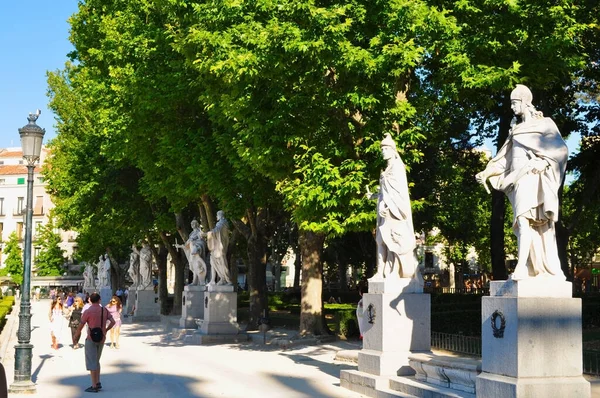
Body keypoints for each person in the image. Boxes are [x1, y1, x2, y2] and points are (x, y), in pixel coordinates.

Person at [476, 84, 568, 280]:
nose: (512, 107)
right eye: (511, 103)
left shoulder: (546, 124)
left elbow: (560, 150)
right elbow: (504, 160)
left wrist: (544, 162)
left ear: (525, 102)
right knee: (522, 225)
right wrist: (486, 172)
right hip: (517, 180)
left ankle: (522, 267)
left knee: (523, 221)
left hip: (533, 177)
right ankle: (529, 265)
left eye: (515, 102)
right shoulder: (515, 130)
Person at [365, 133, 420, 281]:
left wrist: (387, 206)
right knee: (380, 241)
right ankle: (380, 272)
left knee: (393, 242)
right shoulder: (387, 168)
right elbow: (385, 191)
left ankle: (394, 271)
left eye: (385, 149)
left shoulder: (397, 168)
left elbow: (399, 193)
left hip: (394, 212)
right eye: (382, 149)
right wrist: (374, 197)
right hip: (384, 211)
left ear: (392, 150)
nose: (383, 151)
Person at [74, 292, 115, 393]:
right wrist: (106, 329)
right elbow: (113, 322)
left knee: (92, 362)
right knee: (96, 360)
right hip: (102, 338)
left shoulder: (88, 311)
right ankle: (98, 381)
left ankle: (94, 385)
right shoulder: (104, 310)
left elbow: (81, 324)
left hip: (91, 338)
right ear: (99, 300)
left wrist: (76, 335)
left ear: (90, 300)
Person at [176, 220, 208, 285]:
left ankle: (197, 281)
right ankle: (195, 281)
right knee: (193, 266)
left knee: (196, 266)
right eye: (191, 223)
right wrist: (179, 246)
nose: (192, 224)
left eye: (193, 223)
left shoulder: (199, 232)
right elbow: (187, 244)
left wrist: (196, 246)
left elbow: (202, 242)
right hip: (191, 252)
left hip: (196, 252)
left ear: (196, 224)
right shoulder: (192, 233)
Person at [205, 210, 232, 285]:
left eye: (217, 215)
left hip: (220, 247)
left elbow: (216, 231)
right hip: (217, 247)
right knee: (214, 262)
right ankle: (221, 279)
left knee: (223, 263)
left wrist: (205, 234)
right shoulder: (223, 223)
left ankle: (228, 279)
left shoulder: (222, 223)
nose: (216, 217)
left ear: (220, 215)